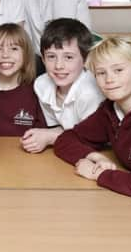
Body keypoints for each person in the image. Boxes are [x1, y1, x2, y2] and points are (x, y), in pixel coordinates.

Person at [55, 37, 131, 201]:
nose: (109, 79)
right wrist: (95, 157)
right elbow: (66, 139)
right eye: (101, 73)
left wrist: (98, 174)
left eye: (118, 70)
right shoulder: (110, 110)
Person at [22, 18, 103, 153]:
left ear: (85, 59)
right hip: (67, 149)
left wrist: (50, 137)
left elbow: (93, 138)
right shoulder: (42, 85)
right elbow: (58, 126)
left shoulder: (90, 94)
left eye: (69, 57)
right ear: (43, 59)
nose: (59, 66)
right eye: (51, 57)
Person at [0, 23, 46, 137]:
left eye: (14, 48)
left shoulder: (37, 89)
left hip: (26, 153)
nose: (5, 55)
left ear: (26, 54)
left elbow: (41, 132)